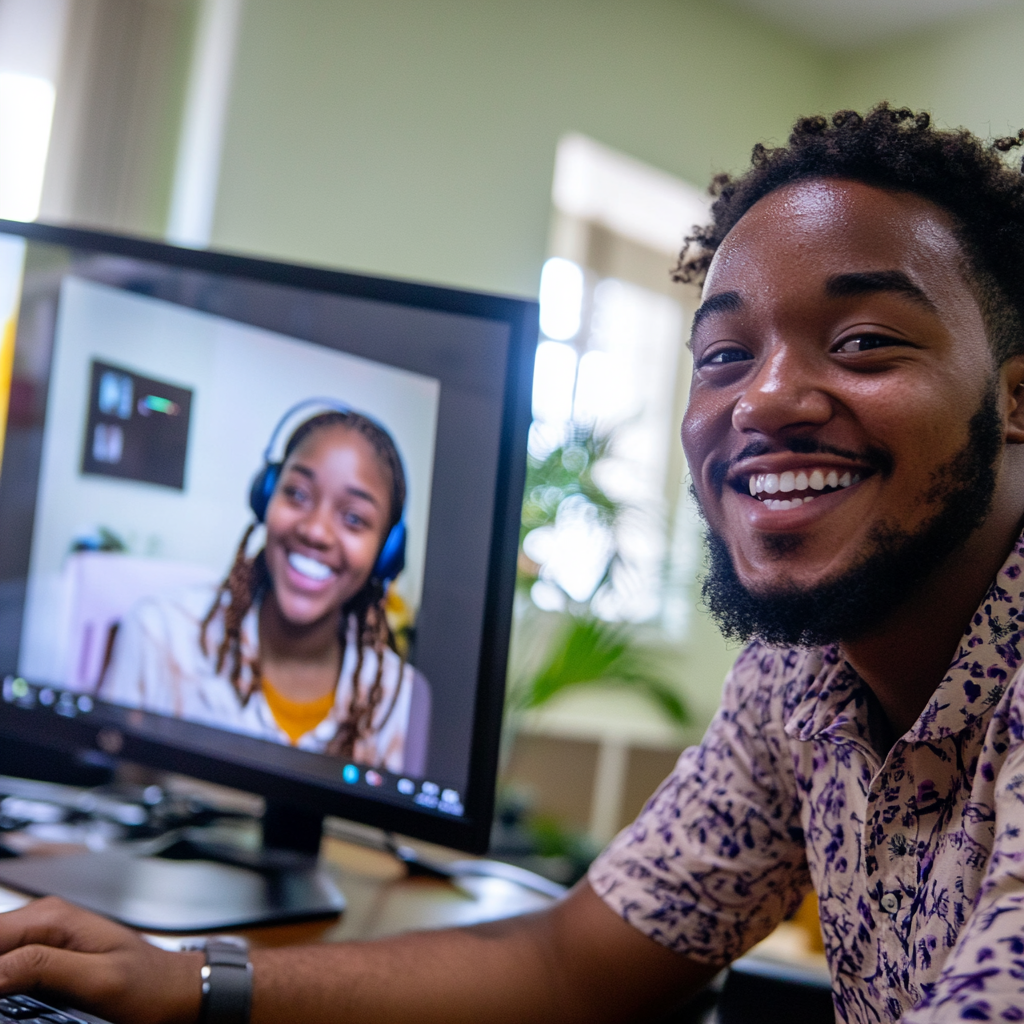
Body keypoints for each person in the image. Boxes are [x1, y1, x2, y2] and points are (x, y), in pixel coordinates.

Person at [2, 103, 1024, 1023]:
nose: (759, 400)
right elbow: (569, 961)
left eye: (861, 342)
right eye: (722, 355)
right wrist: (190, 981)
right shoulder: (799, 675)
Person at [100, 408, 428, 775]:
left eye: (354, 518)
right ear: (266, 496)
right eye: (298, 494)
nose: (316, 532)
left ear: (387, 552)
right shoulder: (158, 634)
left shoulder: (400, 700)